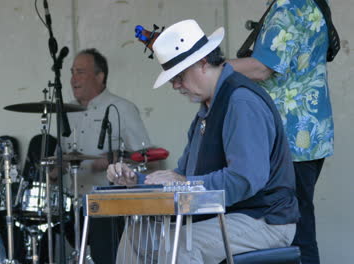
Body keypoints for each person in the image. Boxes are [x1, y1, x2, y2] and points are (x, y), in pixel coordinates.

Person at [107, 19, 299, 264]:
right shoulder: (207, 109)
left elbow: (244, 179)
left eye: (179, 76)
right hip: (226, 216)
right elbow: (183, 176)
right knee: (137, 236)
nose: (175, 85)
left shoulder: (241, 102)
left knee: (178, 247)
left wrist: (185, 182)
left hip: (263, 219)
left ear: (202, 62)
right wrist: (137, 181)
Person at [228, 1, 335, 263]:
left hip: (290, 139)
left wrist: (207, 67)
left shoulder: (289, 5)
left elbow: (262, 67)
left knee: (293, 230)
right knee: (297, 227)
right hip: (306, 135)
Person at [48, 48, 152, 263]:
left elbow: (145, 156)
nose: (73, 79)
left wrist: (113, 158)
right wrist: (54, 172)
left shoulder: (121, 108)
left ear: (100, 76)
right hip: (73, 205)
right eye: (72, 72)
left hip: (109, 206)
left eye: (80, 72)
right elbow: (62, 157)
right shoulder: (66, 112)